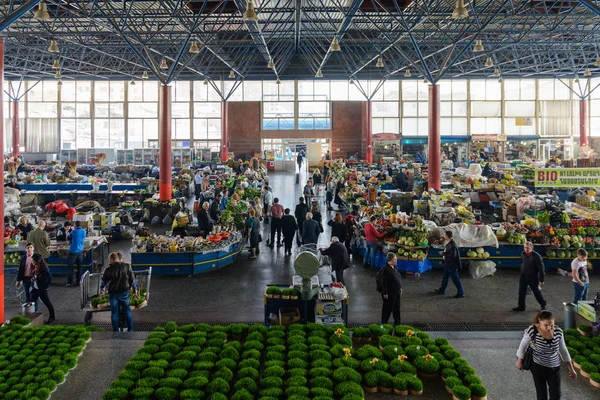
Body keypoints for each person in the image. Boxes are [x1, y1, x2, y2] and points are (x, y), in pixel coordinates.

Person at [516, 310, 576, 400]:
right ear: (539, 321)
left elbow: (563, 350)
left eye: (551, 325)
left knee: (556, 395)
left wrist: (571, 369)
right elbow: (522, 346)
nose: (549, 328)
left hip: (554, 366)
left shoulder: (559, 332)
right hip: (537, 365)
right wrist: (519, 361)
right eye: (546, 325)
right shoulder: (533, 330)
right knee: (541, 393)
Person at [101, 252, 135, 332]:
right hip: (124, 292)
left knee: (114, 313)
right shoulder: (127, 266)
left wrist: (102, 289)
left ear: (111, 259)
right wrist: (132, 287)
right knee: (127, 310)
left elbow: (103, 281)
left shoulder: (108, 269)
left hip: (113, 293)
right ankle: (131, 330)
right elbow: (132, 279)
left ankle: (116, 331)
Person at [513, 241, 547, 312]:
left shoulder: (537, 256)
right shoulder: (523, 254)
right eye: (525, 248)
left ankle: (543, 305)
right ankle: (521, 306)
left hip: (533, 276)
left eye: (528, 248)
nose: (526, 249)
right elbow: (523, 263)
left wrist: (541, 280)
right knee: (521, 291)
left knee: (536, 291)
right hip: (523, 275)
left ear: (532, 248)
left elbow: (541, 269)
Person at [434, 231, 465, 298]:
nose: (444, 236)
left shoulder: (452, 245)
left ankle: (461, 293)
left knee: (455, 279)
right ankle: (442, 290)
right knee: (445, 278)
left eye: (445, 235)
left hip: (452, 266)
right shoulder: (449, 243)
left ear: (447, 236)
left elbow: (453, 255)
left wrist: (443, 253)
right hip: (448, 264)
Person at [29, 254, 55, 324]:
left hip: (41, 289)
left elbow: (50, 277)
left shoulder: (44, 269)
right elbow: (35, 275)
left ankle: (52, 317)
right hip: (35, 288)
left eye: (32, 260)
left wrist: (46, 286)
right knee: (31, 302)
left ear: (36, 261)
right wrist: (33, 278)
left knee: (47, 303)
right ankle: (32, 317)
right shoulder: (34, 267)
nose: (31, 261)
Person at [379, 252, 402, 325]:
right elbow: (383, 282)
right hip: (389, 293)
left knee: (397, 308)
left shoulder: (395, 267)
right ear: (390, 260)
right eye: (394, 259)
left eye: (396, 259)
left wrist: (400, 288)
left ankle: (397, 323)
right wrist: (385, 293)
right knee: (387, 310)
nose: (396, 261)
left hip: (396, 292)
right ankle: (384, 324)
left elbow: (398, 278)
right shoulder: (385, 270)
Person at [67, 221, 87, 287]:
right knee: (79, 267)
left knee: (70, 267)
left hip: (73, 251)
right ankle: (78, 281)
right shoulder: (84, 231)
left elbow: (69, 239)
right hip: (80, 250)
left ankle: (70, 282)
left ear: (75, 225)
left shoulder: (73, 232)